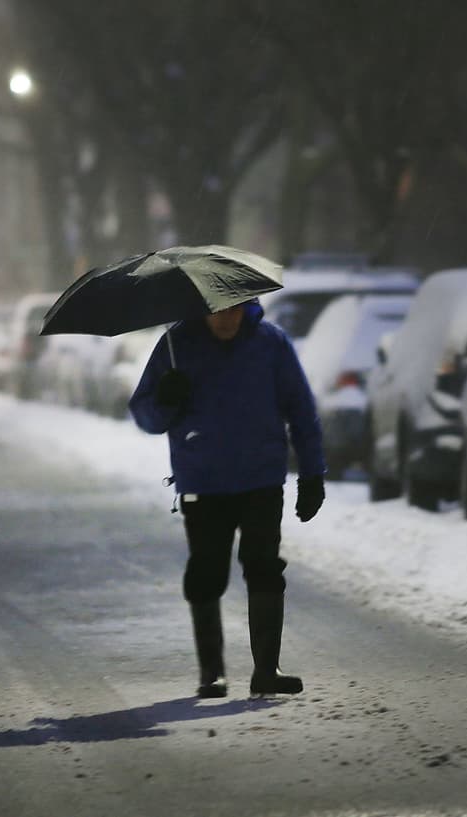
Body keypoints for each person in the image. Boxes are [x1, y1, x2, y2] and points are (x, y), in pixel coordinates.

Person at [129, 297, 325, 698]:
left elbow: (302, 411)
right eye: (218, 310)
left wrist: (311, 475)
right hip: (203, 481)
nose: (226, 319)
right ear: (202, 309)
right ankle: (211, 672)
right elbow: (146, 414)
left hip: (261, 480)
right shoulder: (176, 346)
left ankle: (267, 670)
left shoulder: (271, 344)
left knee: (265, 567)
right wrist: (165, 399)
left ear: (247, 307)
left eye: (234, 310)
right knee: (206, 573)